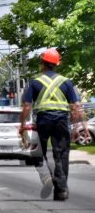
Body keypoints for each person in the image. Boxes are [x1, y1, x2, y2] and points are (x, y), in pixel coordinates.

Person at [19, 48, 91, 201]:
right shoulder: (66, 82)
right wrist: (80, 126)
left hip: (44, 121)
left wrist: (23, 124)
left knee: (41, 153)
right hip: (61, 122)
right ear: (57, 64)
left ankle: (50, 179)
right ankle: (61, 190)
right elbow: (75, 107)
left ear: (42, 63)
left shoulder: (35, 82)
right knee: (62, 154)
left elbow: (26, 106)